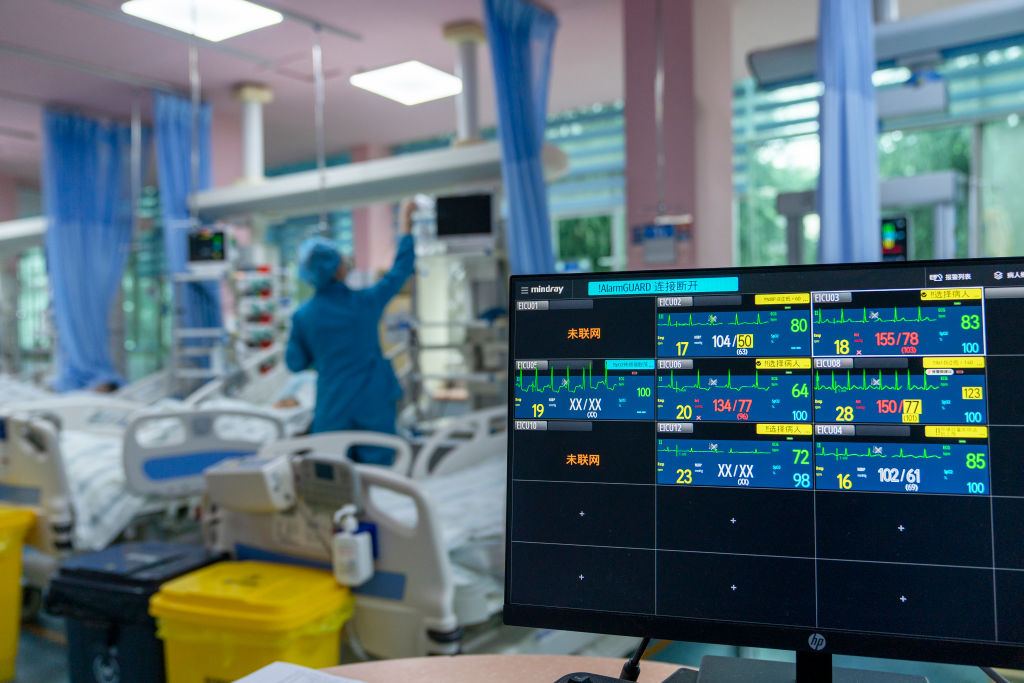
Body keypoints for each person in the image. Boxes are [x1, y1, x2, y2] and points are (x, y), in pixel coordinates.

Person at [286, 201, 415, 464]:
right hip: (373, 404)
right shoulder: (366, 303)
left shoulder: (303, 316)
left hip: (333, 406)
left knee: (334, 480)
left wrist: (323, 357)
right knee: (380, 480)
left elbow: (295, 363)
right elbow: (400, 271)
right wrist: (406, 224)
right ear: (338, 268)